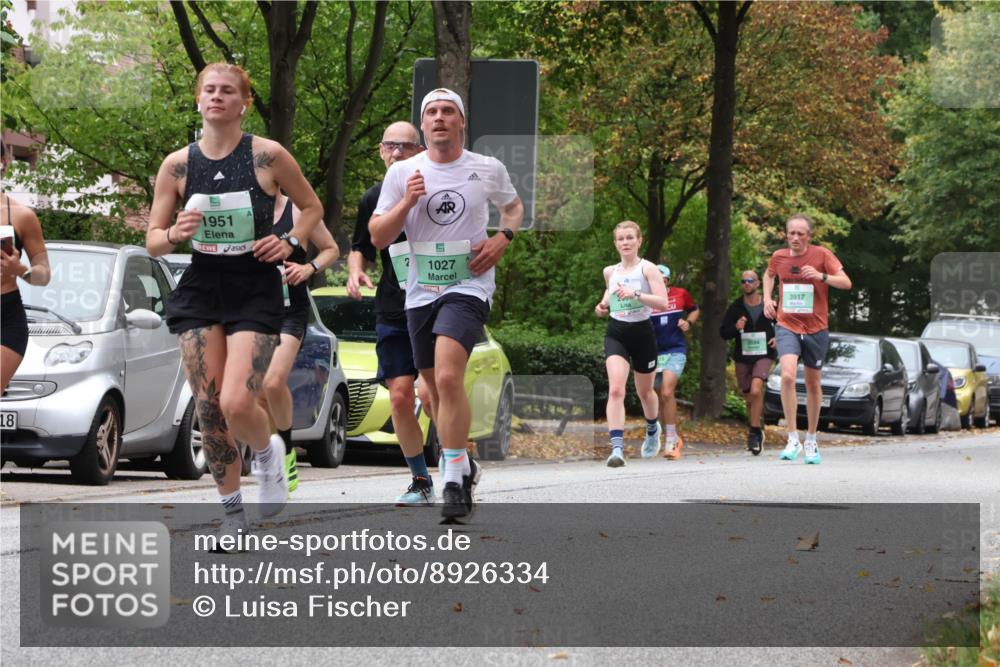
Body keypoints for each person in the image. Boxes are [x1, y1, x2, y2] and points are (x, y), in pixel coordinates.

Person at [146, 63, 323, 542]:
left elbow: (312, 208)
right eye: (209, 90)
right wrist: (174, 232)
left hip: (254, 287)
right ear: (198, 100)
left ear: (244, 103)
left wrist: (288, 240)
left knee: (238, 399)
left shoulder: (268, 156)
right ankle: (232, 516)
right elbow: (153, 241)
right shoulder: (177, 165)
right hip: (203, 285)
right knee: (208, 406)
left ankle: (266, 453)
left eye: (228, 91)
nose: (218, 97)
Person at [369, 88, 524, 522]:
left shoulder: (486, 168)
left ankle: (453, 479)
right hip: (419, 293)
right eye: (431, 112)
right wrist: (406, 202)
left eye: (448, 112)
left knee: (451, 373)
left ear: (461, 122)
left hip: (469, 285)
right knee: (433, 390)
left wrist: (502, 239)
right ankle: (467, 464)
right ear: (423, 124)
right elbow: (379, 236)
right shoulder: (403, 173)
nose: (439, 118)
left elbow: (513, 209)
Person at [347, 121, 430, 505]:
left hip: (435, 303)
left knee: (431, 395)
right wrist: (355, 269)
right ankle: (421, 480)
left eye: (405, 146)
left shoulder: (439, 189)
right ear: (381, 151)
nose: (396, 153)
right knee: (399, 397)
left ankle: (459, 463)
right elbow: (360, 244)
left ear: (419, 151)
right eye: (389, 146)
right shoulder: (373, 197)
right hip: (393, 306)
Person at [261, 191, 339, 493]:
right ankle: (272, 458)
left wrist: (309, 268)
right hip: (252, 311)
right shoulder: (243, 211)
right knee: (256, 395)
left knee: (273, 382)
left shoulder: (297, 212)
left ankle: (288, 450)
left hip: (290, 314)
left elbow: (331, 249)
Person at [763, 214, 851, 464]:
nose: (795, 238)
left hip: (816, 328)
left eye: (801, 234)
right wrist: (768, 299)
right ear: (786, 235)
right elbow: (769, 275)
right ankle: (792, 437)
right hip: (787, 324)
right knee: (788, 375)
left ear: (808, 236)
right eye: (792, 233)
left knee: (813, 384)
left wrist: (821, 276)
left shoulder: (822, 255)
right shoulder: (779, 256)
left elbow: (846, 283)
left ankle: (811, 438)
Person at [595, 221, 669, 467]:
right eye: (621, 239)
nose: (625, 242)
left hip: (642, 334)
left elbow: (662, 302)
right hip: (617, 332)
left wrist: (636, 295)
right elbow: (609, 293)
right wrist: (602, 306)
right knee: (616, 389)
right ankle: (616, 449)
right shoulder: (610, 271)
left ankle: (652, 428)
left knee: (645, 392)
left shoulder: (648, 269)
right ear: (615, 243)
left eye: (630, 238)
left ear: (639, 241)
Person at [1, 141, 51, 394]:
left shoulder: (21, 216)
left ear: (3, 163)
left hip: (5, 317)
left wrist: (18, 269)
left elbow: (43, 275)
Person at [720, 269, 776, 455]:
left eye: (750, 280)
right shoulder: (736, 307)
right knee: (748, 395)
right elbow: (723, 332)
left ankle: (753, 432)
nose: (746, 284)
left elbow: (785, 324)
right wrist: (736, 328)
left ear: (758, 283)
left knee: (756, 389)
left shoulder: (770, 305)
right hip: (743, 355)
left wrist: (778, 338)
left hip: (764, 353)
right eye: (743, 281)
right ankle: (757, 428)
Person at [649, 263, 699, 460]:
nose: (656, 282)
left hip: (676, 350)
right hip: (654, 352)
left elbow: (694, 309)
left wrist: (689, 322)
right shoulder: (647, 299)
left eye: (660, 278)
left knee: (668, 391)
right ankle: (671, 436)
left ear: (667, 280)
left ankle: (670, 439)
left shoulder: (680, 294)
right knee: (659, 396)